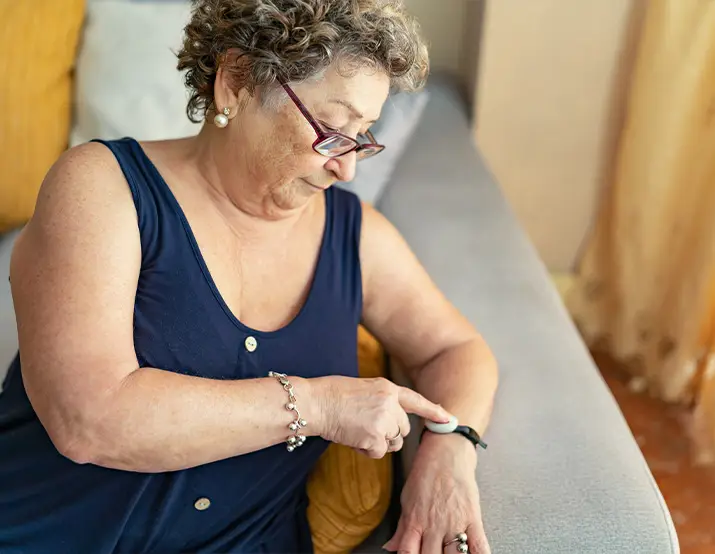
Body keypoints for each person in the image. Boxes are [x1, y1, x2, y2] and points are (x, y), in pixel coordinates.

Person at [0, 0, 498, 552]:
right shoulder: (103, 188)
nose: (347, 166)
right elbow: (87, 421)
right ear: (236, 83)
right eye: (331, 129)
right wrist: (322, 407)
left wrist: (451, 449)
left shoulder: (356, 237)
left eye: (363, 134)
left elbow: (455, 349)